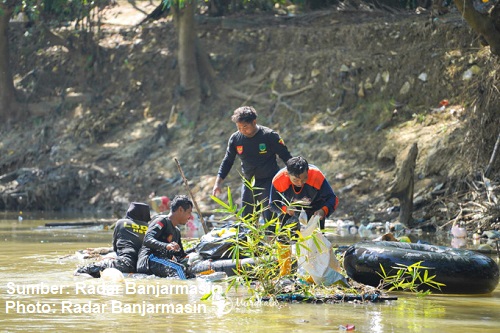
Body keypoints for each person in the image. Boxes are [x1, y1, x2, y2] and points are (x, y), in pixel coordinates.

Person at [212, 106, 292, 222]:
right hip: (249, 182)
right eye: (239, 127)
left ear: (254, 122)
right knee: (247, 220)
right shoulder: (236, 139)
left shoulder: (269, 136)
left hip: (269, 181)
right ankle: (251, 239)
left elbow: (286, 156)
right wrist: (218, 183)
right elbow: (228, 161)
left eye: (245, 127)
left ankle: (271, 239)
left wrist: (295, 176)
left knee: (270, 219)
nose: (242, 130)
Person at [74, 202, 151, 278]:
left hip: (124, 263)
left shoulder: (121, 223)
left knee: (80, 271)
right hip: (144, 266)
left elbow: (115, 247)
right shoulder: (150, 228)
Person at [269, 156, 339, 231]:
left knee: (316, 238)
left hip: (315, 207)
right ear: (287, 174)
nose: (300, 183)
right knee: (286, 238)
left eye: (304, 178)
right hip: (291, 208)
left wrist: (323, 210)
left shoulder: (316, 175)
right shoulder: (279, 179)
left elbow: (332, 198)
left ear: (308, 171)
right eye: (295, 180)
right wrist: (285, 209)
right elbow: (273, 204)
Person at [136, 195, 193, 279]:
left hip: (162, 261)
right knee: (178, 268)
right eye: (189, 212)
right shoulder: (161, 221)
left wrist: (197, 249)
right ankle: (182, 291)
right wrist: (166, 245)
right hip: (149, 259)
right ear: (180, 209)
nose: (190, 217)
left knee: (190, 273)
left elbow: (180, 254)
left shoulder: (176, 231)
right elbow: (147, 239)